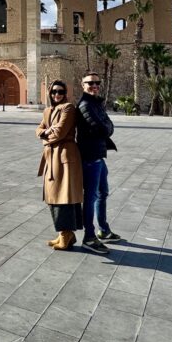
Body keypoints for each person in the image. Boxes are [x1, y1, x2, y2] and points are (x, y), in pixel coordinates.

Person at [36, 80, 84, 251]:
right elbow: (39, 129)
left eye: (61, 92)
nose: (57, 95)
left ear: (65, 93)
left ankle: (66, 234)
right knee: (53, 196)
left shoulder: (68, 108)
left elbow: (60, 132)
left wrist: (46, 134)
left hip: (65, 157)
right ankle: (64, 233)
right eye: (54, 91)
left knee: (64, 196)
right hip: (52, 156)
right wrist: (45, 132)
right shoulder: (47, 110)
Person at [77, 72, 120, 254]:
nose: (94, 85)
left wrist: (107, 128)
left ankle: (103, 229)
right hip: (89, 159)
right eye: (90, 83)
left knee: (103, 193)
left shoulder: (96, 103)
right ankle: (89, 237)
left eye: (97, 83)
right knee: (91, 196)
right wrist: (107, 128)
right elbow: (104, 128)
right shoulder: (86, 105)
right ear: (83, 85)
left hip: (98, 157)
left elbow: (108, 125)